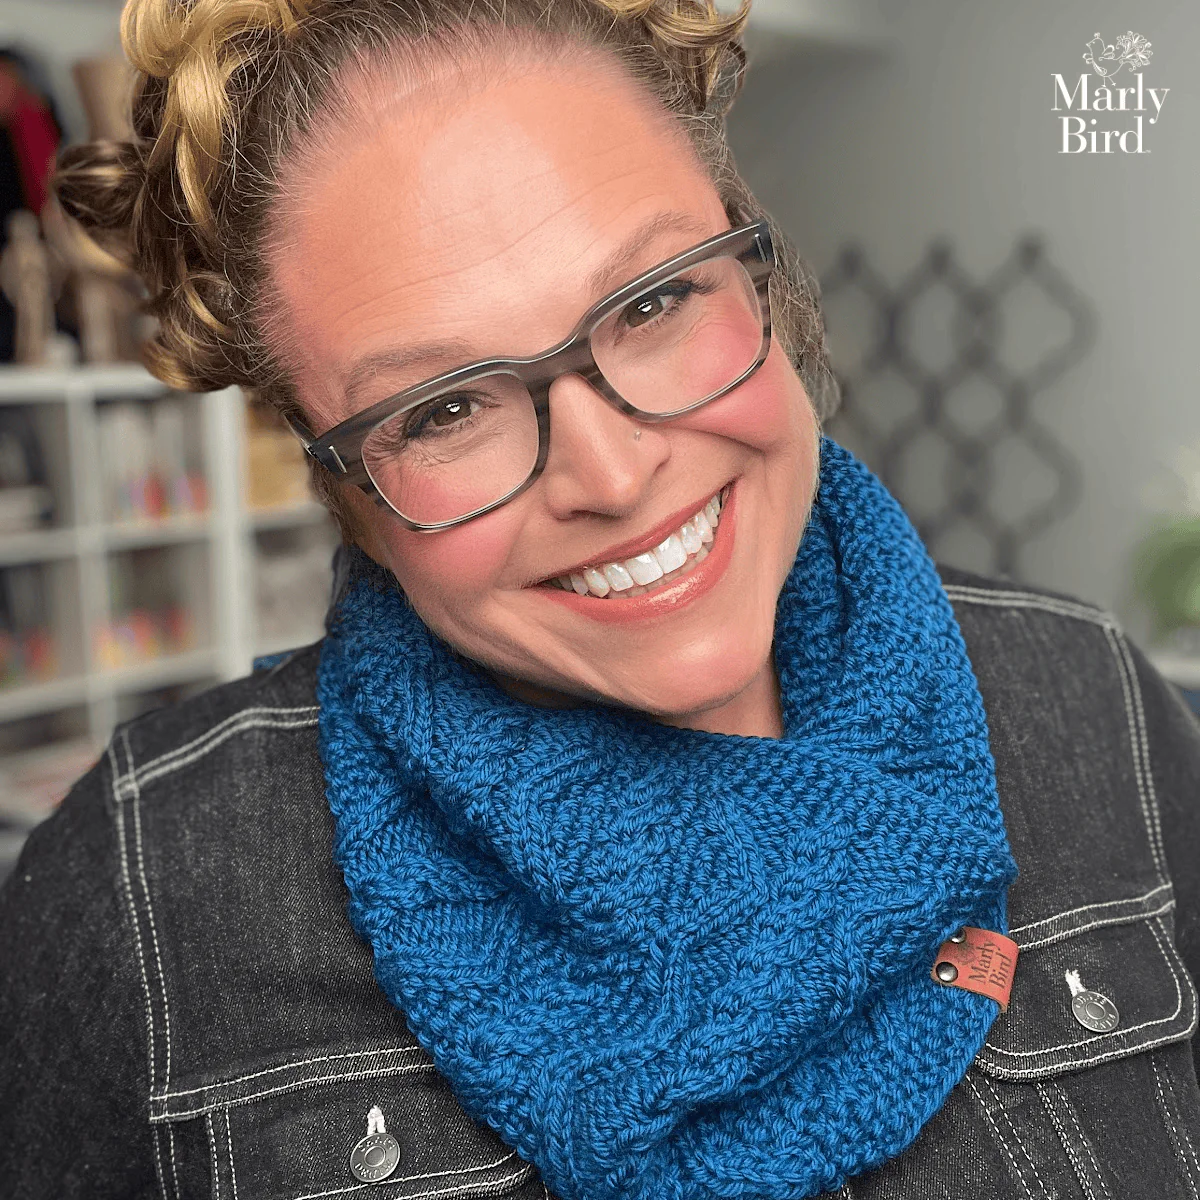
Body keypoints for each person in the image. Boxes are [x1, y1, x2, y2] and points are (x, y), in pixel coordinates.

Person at [3, 1, 1200, 1196]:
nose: (618, 476)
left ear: (756, 272)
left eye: (652, 301)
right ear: (340, 483)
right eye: (444, 408)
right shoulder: (139, 897)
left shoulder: (1091, 701)